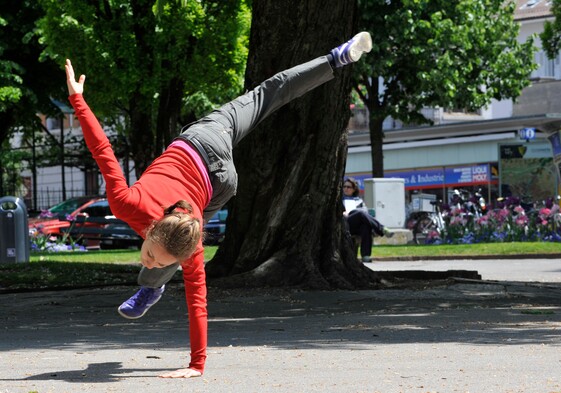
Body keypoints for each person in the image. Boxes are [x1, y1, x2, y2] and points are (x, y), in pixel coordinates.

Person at [65, 32, 373, 379]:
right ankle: (151, 288)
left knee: (266, 93)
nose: (145, 257)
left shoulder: (152, 219)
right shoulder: (157, 222)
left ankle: (337, 58)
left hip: (214, 162)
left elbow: (198, 298)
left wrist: (197, 365)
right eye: (151, 256)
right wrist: (77, 100)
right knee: (264, 94)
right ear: (152, 229)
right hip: (215, 162)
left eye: (151, 258)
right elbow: (103, 152)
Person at [342, 177, 392, 262]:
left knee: (366, 226)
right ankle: (381, 228)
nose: (346, 189)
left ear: (354, 189)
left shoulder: (359, 201)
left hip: (356, 226)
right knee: (361, 213)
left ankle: (366, 256)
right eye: (344, 186)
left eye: (348, 187)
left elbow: (365, 213)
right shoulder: (339, 199)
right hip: (345, 223)